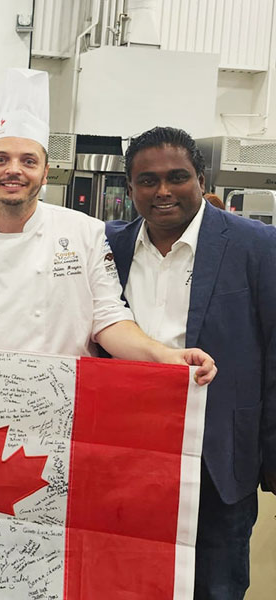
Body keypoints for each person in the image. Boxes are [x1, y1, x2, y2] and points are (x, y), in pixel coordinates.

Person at [0, 70, 215, 382]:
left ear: (45, 171)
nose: (14, 170)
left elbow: (108, 319)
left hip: (65, 403)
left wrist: (165, 356)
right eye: (1, 159)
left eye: (28, 161)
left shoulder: (85, 233)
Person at [106, 126, 276, 599]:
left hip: (219, 456)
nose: (163, 191)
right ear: (131, 188)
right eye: (147, 180)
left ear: (201, 179)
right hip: (123, 454)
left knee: (214, 586)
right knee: (123, 580)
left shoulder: (256, 246)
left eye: (177, 177)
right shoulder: (107, 247)